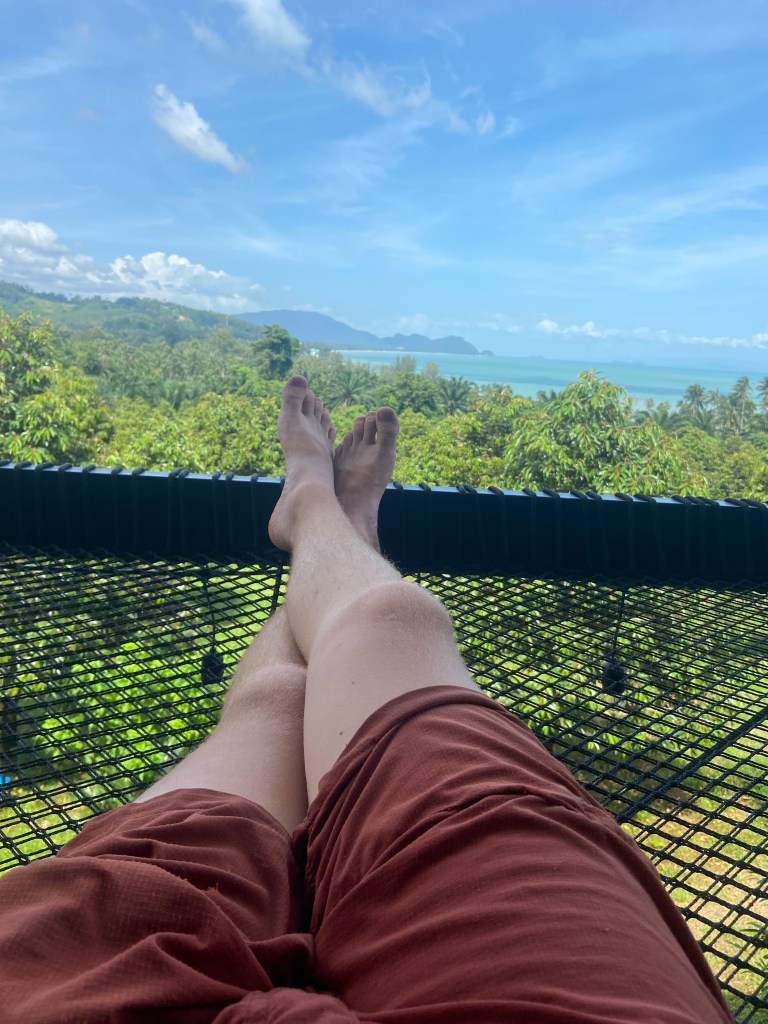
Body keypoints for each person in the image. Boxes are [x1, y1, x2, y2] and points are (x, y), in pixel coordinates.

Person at [0, 376, 733, 1023]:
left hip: (68, 984)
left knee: (283, 702)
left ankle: (317, 509)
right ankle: (339, 525)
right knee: (388, 627)